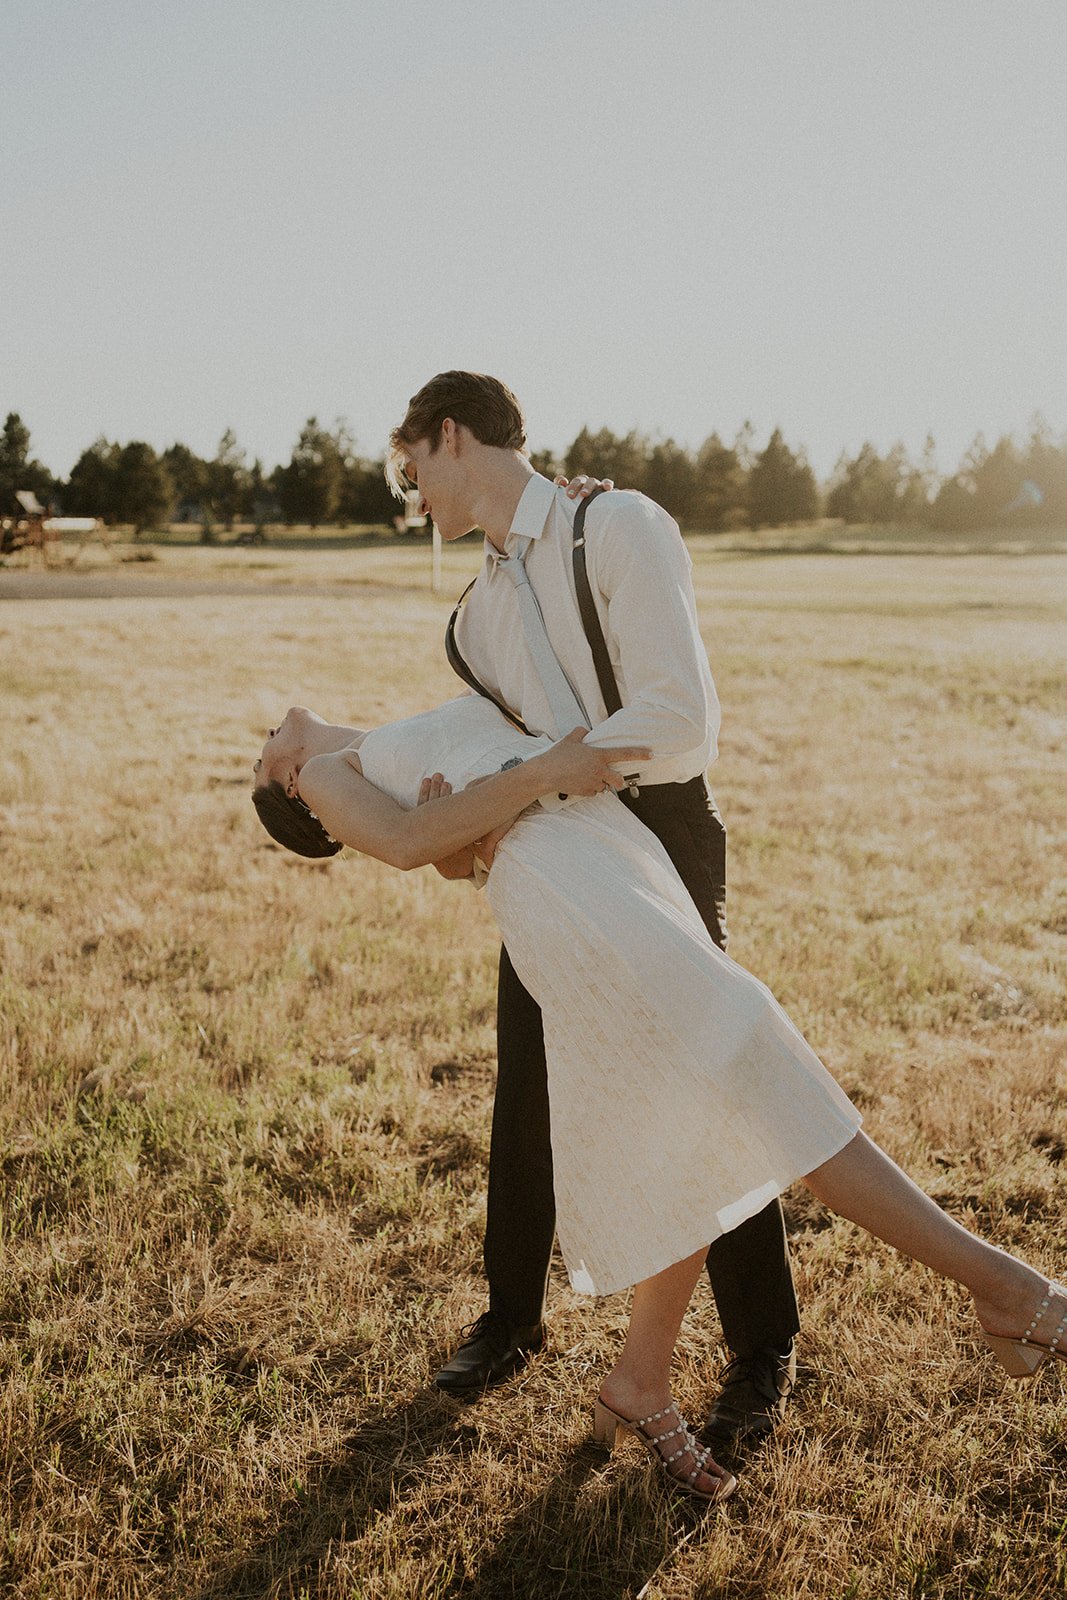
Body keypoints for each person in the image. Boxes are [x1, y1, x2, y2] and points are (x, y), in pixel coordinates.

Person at [251, 697, 1066, 1506]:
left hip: (613, 860)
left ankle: (639, 1380)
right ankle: (1004, 1290)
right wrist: (524, 785)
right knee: (756, 1064)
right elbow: (402, 843)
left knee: (697, 1110)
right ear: (291, 788)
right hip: (572, 892)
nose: (269, 740)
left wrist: (466, 824)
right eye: (264, 760)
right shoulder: (327, 772)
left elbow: (452, 849)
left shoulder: (383, 746)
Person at [382, 370, 798, 1445]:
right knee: (526, 1068)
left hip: (659, 828)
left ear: (450, 434)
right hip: (552, 844)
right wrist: (470, 793)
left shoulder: (615, 525)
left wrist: (538, 773)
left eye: (411, 466)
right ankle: (510, 1321)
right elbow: (489, 741)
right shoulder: (471, 619)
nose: (409, 491)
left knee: (705, 1070)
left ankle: (761, 1348)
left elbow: (679, 716)